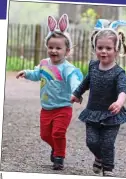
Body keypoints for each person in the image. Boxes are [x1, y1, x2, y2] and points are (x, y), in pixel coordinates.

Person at [16, 14, 83, 170]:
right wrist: (26, 73)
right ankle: (56, 147)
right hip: (46, 108)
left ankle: (59, 156)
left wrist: (76, 92)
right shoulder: (44, 64)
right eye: (51, 47)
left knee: (58, 133)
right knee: (45, 135)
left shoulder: (68, 68)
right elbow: (37, 73)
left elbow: (75, 81)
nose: (54, 50)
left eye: (58, 48)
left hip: (63, 107)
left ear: (67, 51)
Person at [71, 19, 126, 177]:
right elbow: (86, 82)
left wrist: (119, 102)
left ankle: (108, 169)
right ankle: (98, 157)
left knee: (108, 143)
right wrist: (77, 94)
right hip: (92, 113)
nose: (104, 51)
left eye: (108, 48)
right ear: (95, 48)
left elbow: (123, 90)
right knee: (92, 141)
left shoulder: (119, 73)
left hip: (112, 115)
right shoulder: (93, 66)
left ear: (116, 51)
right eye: (100, 47)